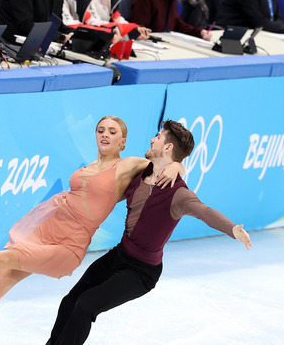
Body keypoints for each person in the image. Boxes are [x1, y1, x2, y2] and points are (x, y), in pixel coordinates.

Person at [0, 116, 184, 345]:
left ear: (122, 141)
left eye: (113, 132)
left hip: (68, 244)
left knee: (8, 256)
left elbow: (170, 160)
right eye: (100, 130)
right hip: (49, 227)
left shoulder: (129, 165)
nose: (105, 134)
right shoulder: (89, 166)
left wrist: (176, 164)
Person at [46, 120, 252, 345]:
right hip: (119, 255)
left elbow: (204, 211)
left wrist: (232, 229)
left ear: (167, 148)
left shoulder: (177, 194)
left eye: (158, 137)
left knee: (86, 305)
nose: (152, 139)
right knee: (70, 301)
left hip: (141, 272)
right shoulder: (140, 174)